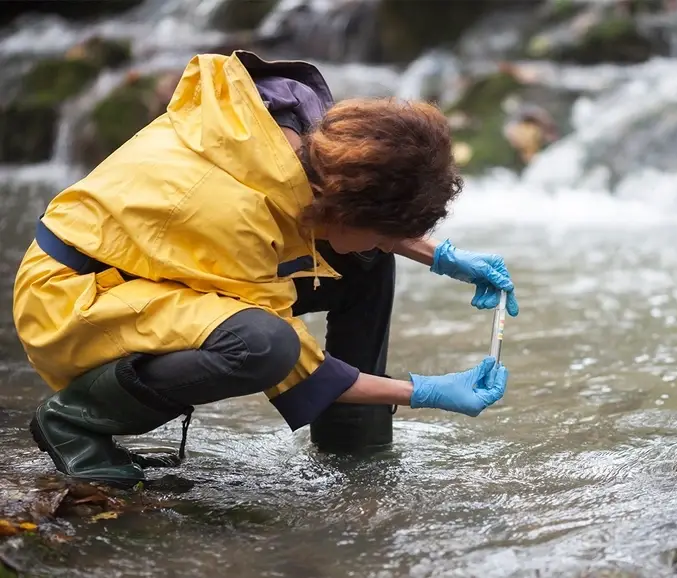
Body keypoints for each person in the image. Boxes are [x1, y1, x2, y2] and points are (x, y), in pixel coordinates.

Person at [11, 50, 520, 488]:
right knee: (263, 345)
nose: (388, 239)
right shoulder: (236, 214)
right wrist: (424, 392)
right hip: (76, 298)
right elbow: (298, 366)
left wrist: (443, 258)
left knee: (366, 259)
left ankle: (353, 439)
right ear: (343, 208)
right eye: (380, 227)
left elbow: (359, 224)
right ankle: (75, 422)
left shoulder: (308, 138)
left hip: (148, 266)